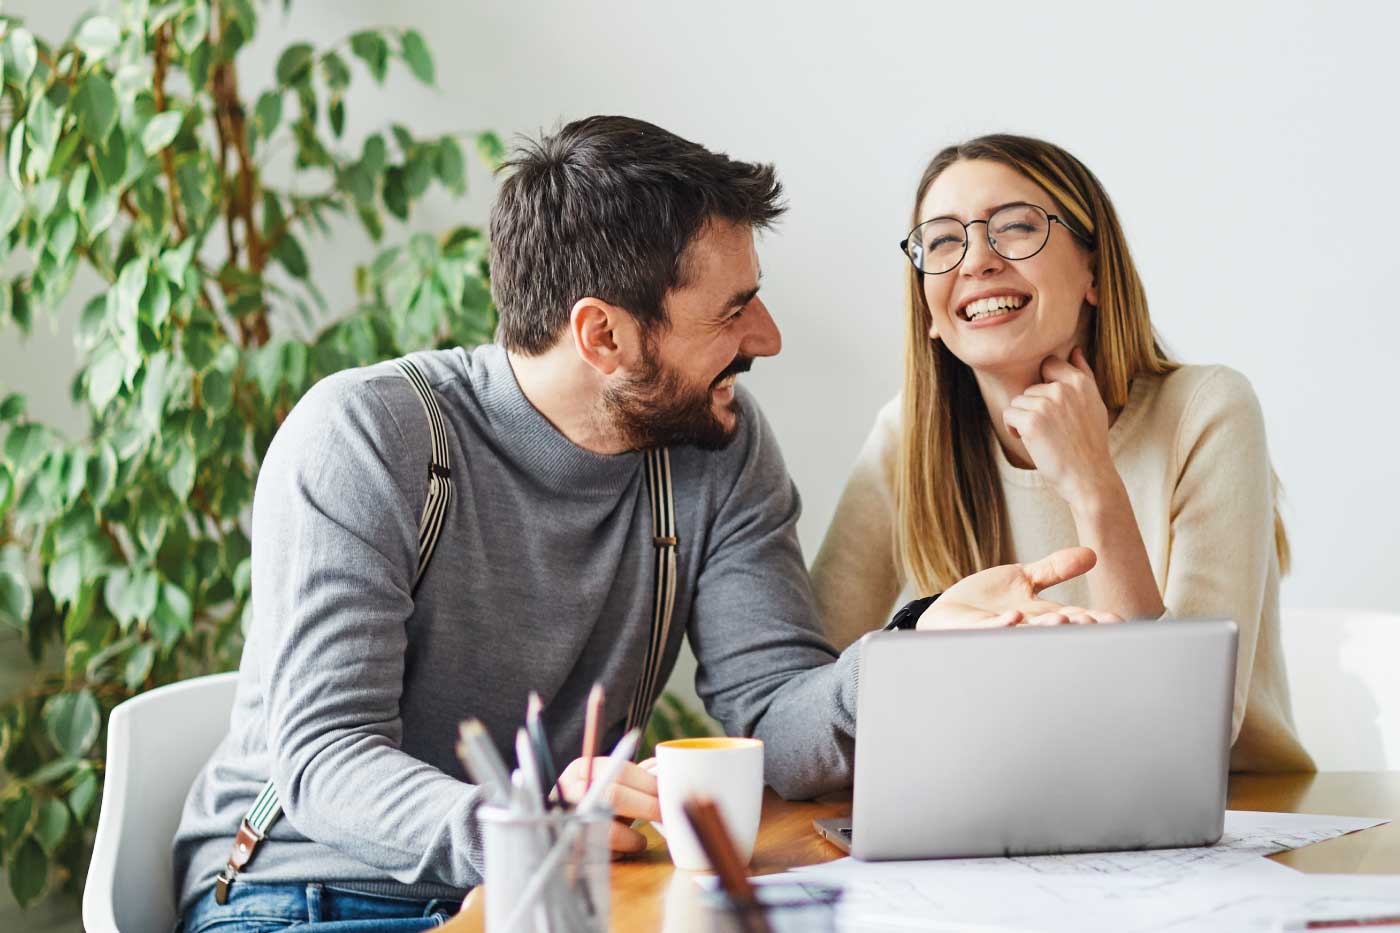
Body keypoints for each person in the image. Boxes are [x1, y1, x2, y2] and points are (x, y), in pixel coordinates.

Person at [171, 117, 1108, 931]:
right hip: (310, 894)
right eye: (733, 310)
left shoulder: (716, 443)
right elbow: (328, 760)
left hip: (565, 895)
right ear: (604, 336)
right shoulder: (371, 435)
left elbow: (774, 714)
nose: (767, 337)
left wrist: (917, 651)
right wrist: (531, 832)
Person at [811, 133, 1313, 773]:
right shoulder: (905, 434)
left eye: (1015, 228)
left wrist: (1093, 484)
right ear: (929, 309)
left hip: (1226, 822)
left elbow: (1183, 731)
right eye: (941, 241)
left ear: (1094, 273)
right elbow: (809, 687)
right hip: (1001, 813)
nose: (977, 261)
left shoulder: (1207, 410)